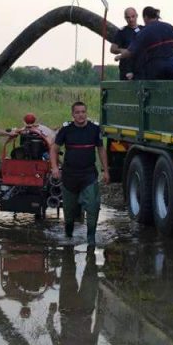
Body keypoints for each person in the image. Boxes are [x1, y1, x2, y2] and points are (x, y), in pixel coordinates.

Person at [50, 102, 109, 245]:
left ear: (86, 113)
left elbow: (101, 150)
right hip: (70, 175)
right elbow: (54, 149)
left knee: (93, 206)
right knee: (69, 211)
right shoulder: (66, 129)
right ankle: (68, 235)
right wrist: (55, 167)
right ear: (73, 115)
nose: (81, 115)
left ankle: (91, 239)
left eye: (83, 112)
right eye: (77, 112)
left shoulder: (94, 129)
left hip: (88, 175)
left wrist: (106, 170)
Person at [115, 6, 173, 80]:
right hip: (172, 64)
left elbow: (130, 51)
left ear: (145, 17)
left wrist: (119, 57)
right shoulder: (168, 26)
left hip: (156, 67)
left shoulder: (144, 31)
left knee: (154, 90)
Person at [109, 7, 143, 80]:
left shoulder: (143, 30)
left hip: (140, 67)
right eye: (128, 17)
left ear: (137, 16)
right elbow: (112, 49)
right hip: (126, 67)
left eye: (133, 16)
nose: (131, 19)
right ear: (125, 18)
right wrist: (122, 50)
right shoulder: (121, 32)